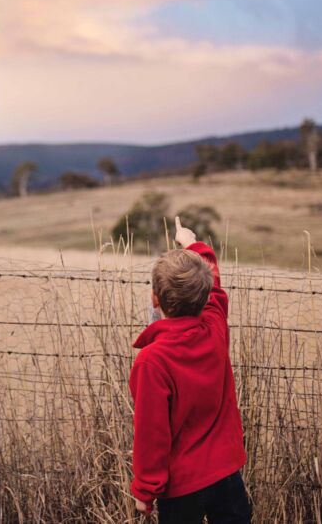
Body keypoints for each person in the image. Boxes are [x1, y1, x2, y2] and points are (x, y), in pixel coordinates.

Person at [129, 217, 251, 523]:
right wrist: (192, 243)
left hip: (181, 487)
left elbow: (151, 434)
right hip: (227, 474)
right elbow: (215, 284)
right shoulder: (215, 327)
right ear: (205, 294)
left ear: (155, 299)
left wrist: (145, 491)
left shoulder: (152, 361)